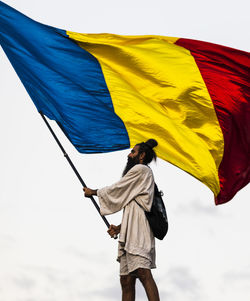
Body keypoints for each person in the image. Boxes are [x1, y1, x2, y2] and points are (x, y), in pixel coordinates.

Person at [83, 139, 160, 301]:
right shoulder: (138, 174)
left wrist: (94, 192)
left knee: (143, 272)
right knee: (126, 280)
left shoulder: (141, 170)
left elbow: (117, 189)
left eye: (133, 151)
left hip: (140, 230)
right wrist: (119, 228)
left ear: (142, 155)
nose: (129, 154)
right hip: (130, 229)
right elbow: (131, 206)